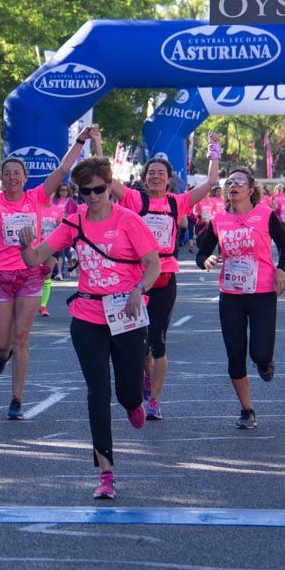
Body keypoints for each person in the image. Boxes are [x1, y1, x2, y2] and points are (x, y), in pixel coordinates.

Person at [18, 157, 160, 500]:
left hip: (126, 312)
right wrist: (25, 245)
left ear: (110, 185)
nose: (93, 196)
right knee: (98, 391)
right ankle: (106, 472)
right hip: (87, 316)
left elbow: (152, 265)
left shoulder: (128, 221)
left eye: (99, 189)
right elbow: (36, 259)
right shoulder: (74, 221)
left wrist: (139, 290)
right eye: (86, 191)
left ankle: (135, 398)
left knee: (126, 395)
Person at [0, 127, 93, 420]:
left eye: (17, 173)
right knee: (3, 343)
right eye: (7, 173)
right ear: (1, 178)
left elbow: (64, 167)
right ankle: (2, 356)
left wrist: (80, 140)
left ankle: (17, 398)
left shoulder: (37, 197)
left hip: (30, 272)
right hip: (2, 277)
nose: (12, 177)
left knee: (21, 337)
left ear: (25, 178)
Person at [107, 131, 221, 421]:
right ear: (145, 178)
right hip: (137, 277)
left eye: (161, 173)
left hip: (165, 276)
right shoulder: (134, 200)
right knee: (139, 340)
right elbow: (107, 180)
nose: (156, 177)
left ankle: (155, 400)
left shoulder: (177, 203)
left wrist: (213, 150)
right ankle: (146, 377)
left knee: (157, 339)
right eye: (151, 173)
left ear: (169, 179)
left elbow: (209, 183)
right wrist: (96, 143)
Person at [196, 169, 285, 430]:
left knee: (260, 353)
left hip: (261, 291)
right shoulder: (218, 220)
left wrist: (280, 270)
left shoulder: (265, 214)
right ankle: (247, 410)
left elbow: (284, 245)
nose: (232, 185)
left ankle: (264, 362)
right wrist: (206, 260)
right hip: (231, 294)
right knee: (235, 356)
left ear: (250, 189)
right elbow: (202, 252)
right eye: (229, 182)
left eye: (239, 182)